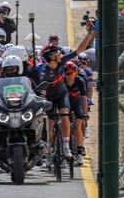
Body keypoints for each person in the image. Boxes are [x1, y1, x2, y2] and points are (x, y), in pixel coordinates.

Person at [34, 30, 95, 159]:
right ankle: (50, 146)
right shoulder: (43, 72)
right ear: (51, 57)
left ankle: (66, 146)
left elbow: (78, 51)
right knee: (50, 122)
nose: (60, 54)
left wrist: (89, 34)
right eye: (57, 53)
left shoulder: (61, 62)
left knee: (65, 114)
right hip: (50, 97)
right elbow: (39, 89)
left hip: (62, 94)